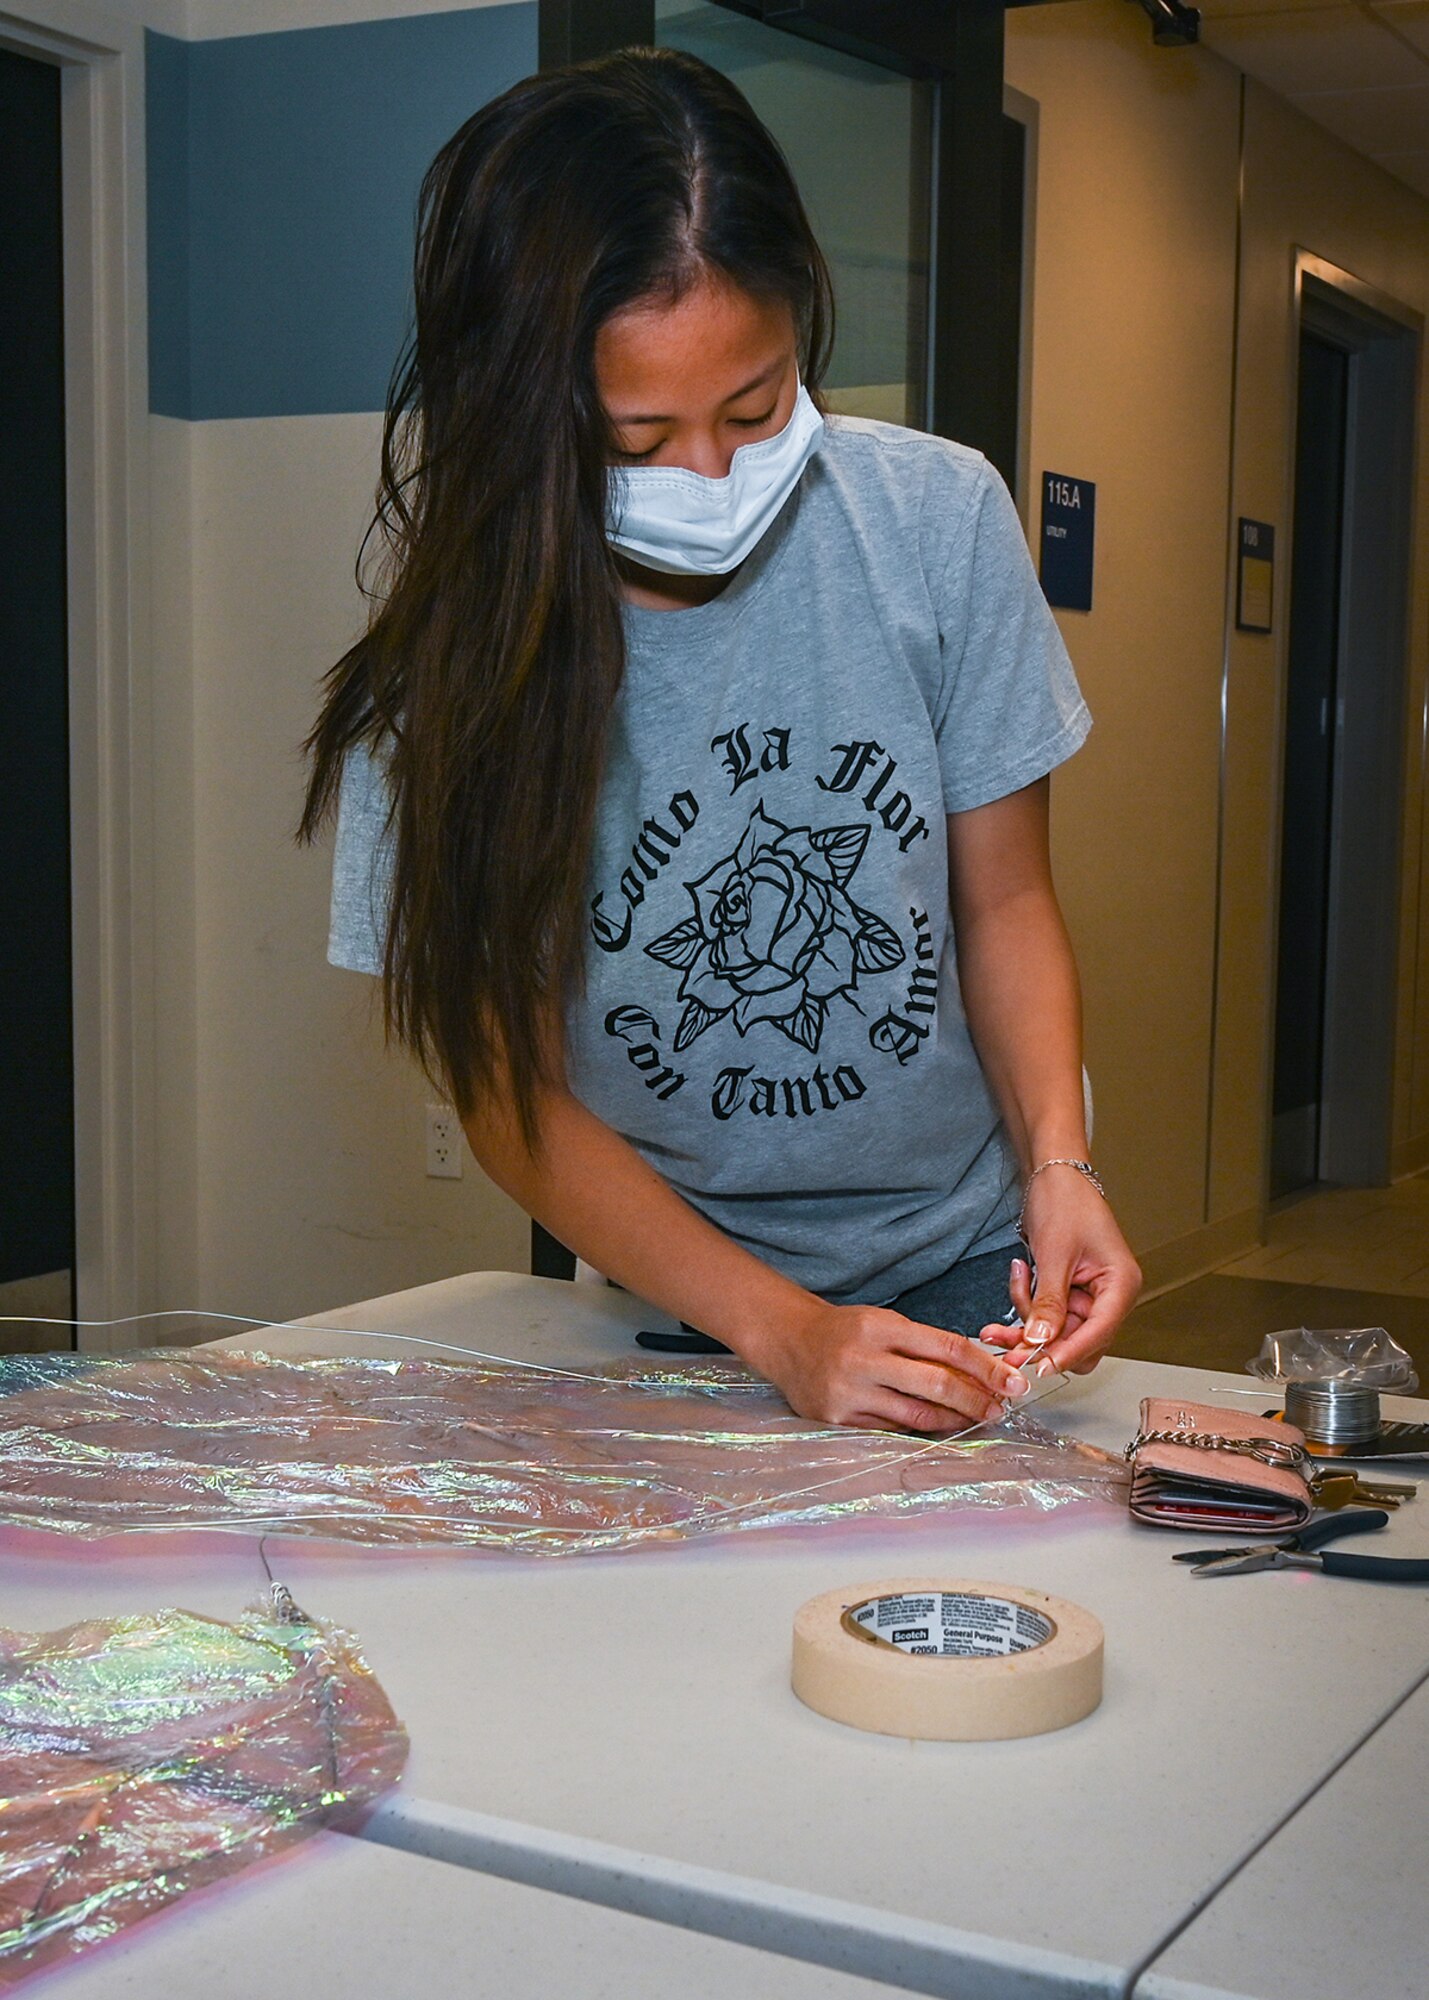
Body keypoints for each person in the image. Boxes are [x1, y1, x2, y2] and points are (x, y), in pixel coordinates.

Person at [300, 45, 1141, 1435]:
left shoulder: (933, 522)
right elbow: (503, 1084)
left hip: (965, 1257)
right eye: (637, 437)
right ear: (528, 412)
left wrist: (1064, 1166)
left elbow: (1002, 901)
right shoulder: (452, 652)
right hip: (665, 1287)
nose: (707, 476)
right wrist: (780, 1329)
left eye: (753, 410)